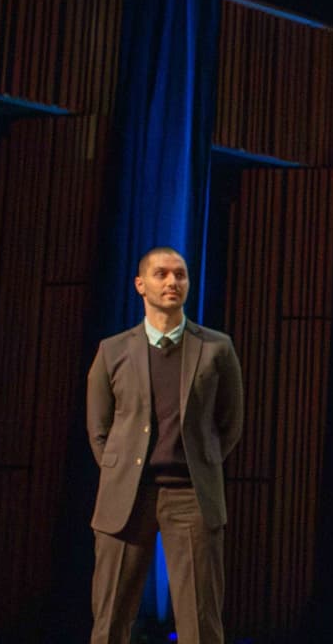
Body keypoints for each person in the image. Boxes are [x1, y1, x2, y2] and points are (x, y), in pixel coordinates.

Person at [86, 246, 244, 644]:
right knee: (110, 620)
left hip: (191, 494)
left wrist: (203, 463)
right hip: (127, 494)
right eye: (161, 274)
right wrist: (119, 470)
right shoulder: (113, 351)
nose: (173, 282)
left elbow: (230, 423)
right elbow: (98, 428)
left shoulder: (216, 348)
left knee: (200, 620)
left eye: (180, 274)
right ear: (141, 284)